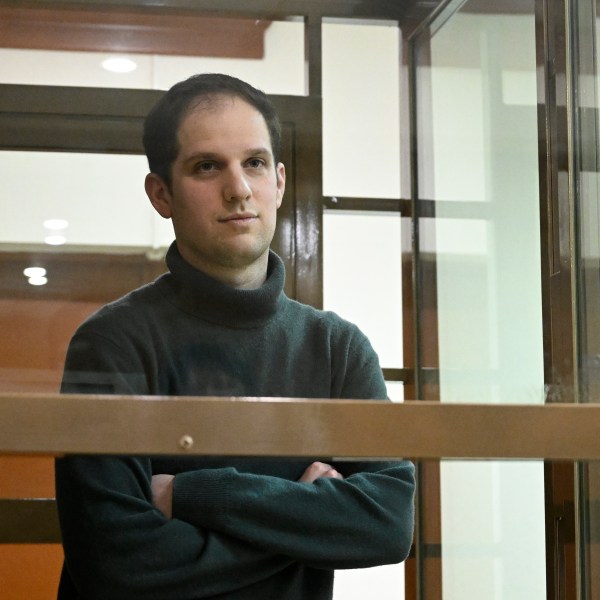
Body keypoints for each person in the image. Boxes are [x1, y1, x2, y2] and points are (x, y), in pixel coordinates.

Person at [55, 73, 415, 600]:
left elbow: (387, 524)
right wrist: (307, 518)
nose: (239, 188)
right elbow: (119, 562)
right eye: (207, 166)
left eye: (255, 162)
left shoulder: (337, 348)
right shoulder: (113, 342)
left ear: (280, 182)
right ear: (162, 194)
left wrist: (197, 494)